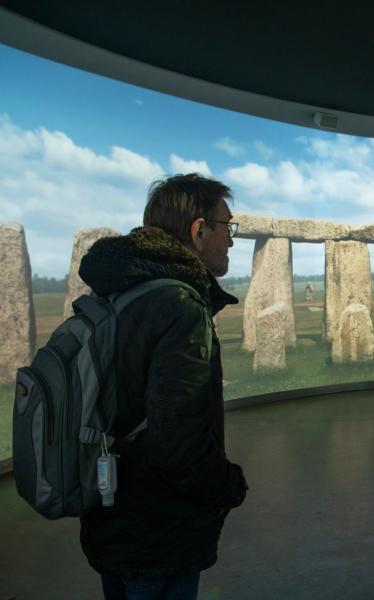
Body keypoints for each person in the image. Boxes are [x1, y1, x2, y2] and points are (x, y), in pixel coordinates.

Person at [78, 174, 248, 599]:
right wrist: (227, 486)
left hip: (109, 510)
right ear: (198, 230)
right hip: (159, 527)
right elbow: (178, 438)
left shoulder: (119, 291)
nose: (231, 239)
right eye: (228, 227)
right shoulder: (179, 305)